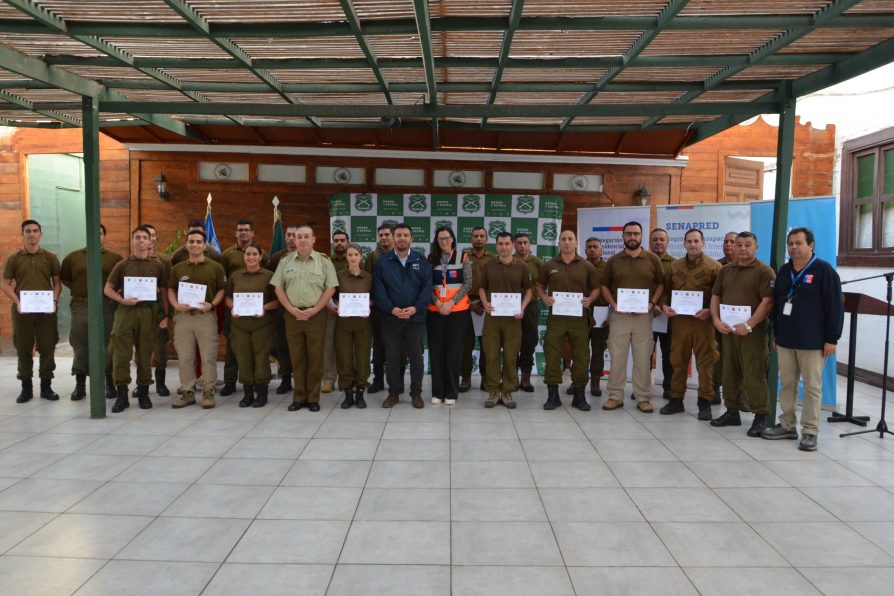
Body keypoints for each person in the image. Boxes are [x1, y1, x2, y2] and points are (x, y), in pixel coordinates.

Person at [763, 227, 843, 451]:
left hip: (814, 342)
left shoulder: (824, 271)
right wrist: (777, 334)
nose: (794, 247)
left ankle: (810, 432)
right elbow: (778, 306)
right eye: (790, 243)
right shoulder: (785, 271)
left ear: (811, 245)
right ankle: (787, 426)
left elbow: (835, 307)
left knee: (812, 387)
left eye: (799, 243)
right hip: (786, 340)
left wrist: (832, 338)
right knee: (787, 384)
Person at [710, 231, 776, 437]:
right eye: (739, 245)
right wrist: (716, 320)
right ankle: (731, 411)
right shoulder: (725, 270)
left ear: (756, 247)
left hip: (752, 334)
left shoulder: (765, 272)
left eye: (748, 244)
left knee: (754, 372)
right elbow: (715, 297)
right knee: (729, 370)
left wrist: (748, 325)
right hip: (728, 330)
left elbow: (768, 302)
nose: (742, 248)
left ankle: (760, 416)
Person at [600, 221, 665, 413]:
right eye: (628, 234)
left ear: (641, 236)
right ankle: (615, 396)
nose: (632, 237)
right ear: (623, 236)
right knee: (617, 356)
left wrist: (652, 303)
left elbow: (661, 284)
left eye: (636, 234)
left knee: (643, 357)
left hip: (644, 316)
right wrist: (613, 304)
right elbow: (604, 285)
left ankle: (643, 397)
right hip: (619, 316)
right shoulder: (614, 260)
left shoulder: (653, 259)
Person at [272, 224, 337, 412]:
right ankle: (299, 397)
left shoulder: (324, 261)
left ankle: (313, 398)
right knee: (297, 357)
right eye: (298, 236)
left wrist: (316, 308)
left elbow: (330, 288)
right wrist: (291, 309)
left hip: (316, 315)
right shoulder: (285, 262)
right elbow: (278, 288)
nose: (301, 239)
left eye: (306, 236)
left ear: (313, 239)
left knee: (315, 358)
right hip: (292, 315)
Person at [104, 226, 169, 412]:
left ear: (150, 242)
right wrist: (122, 299)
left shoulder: (157, 266)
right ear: (132, 241)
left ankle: (143, 393)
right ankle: (122, 395)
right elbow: (107, 289)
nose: (141, 241)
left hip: (149, 312)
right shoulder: (122, 265)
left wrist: (166, 315)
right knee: (121, 354)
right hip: (126, 312)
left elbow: (164, 292)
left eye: (144, 237)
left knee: (145, 353)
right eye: (137, 237)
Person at [535, 228, 600, 411]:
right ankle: (553, 394)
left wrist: (591, 299)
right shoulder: (549, 265)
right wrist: (544, 297)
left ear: (576, 243)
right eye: (563, 239)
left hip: (579, 318)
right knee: (553, 354)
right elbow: (539, 285)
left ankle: (579, 395)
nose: (567, 242)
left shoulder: (587, 266)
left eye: (570, 239)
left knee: (581, 356)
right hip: (556, 317)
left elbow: (596, 288)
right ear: (559, 243)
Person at [660, 229, 721, 420]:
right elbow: (665, 291)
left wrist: (710, 312)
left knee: (706, 363)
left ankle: (705, 402)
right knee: (678, 361)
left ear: (703, 242)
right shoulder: (675, 267)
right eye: (689, 241)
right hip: (680, 322)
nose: (693, 245)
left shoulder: (715, 267)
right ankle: (676, 399)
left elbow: (720, 295)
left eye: (696, 241)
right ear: (684, 243)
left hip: (704, 322)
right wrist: (664, 306)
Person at [60, 223, 123, 400]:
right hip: (81, 305)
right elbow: (66, 279)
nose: (97, 236)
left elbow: (120, 281)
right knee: (80, 343)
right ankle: (80, 385)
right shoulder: (73, 257)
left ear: (104, 236)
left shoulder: (115, 258)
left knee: (107, 344)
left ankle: (109, 383)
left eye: (100, 233)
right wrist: (84, 291)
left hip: (107, 305)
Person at [374, 223, 433, 409]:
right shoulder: (382, 262)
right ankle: (394, 393)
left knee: (416, 357)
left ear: (411, 238)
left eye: (405, 235)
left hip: (415, 319)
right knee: (391, 357)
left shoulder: (421, 260)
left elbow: (427, 288)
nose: (402, 238)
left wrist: (416, 308)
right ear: (393, 237)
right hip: (391, 319)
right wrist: (391, 309)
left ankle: (416, 393)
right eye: (398, 235)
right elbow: (379, 290)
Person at [2, 220, 62, 403]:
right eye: (28, 231)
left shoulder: (50, 257)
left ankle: (46, 387)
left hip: (46, 311)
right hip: (23, 310)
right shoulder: (14, 258)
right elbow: (4, 284)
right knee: (23, 347)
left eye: (35, 231)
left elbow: (57, 283)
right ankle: (26, 387)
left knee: (47, 346)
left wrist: (53, 301)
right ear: (23, 234)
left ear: (41, 234)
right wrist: (18, 302)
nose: (32, 234)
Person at [167, 229, 226, 410]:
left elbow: (221, 290)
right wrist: (176, 305)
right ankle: (187, 393)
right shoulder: (178, 268)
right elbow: (170, 290)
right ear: (186, 245)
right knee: (185, 357)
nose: (195, 245)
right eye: (191, 241)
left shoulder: (215, 267)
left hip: (205, 317)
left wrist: (212, 304)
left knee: (208, 357)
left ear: (204, 245)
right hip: (183, 318)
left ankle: (208, 393)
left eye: (198, 242)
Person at [479, 232, 533, 408]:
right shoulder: (489, 265)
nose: (504, 247)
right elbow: (481, 288)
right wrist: (485, 303)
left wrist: (522, 308)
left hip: (513, 319)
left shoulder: (522, 266)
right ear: (496, 246)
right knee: (492, 355)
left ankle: (508, 391)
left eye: (507, 244)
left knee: (510, 356)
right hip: (492, 318)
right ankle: (494, 391)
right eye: (500, 244)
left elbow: (529, 290)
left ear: (512, 245)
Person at [226, 242, 279, 408]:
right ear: (244, 257)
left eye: (254, 254)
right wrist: (233, 307)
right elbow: (228, 298)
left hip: (262, 324)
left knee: (261, 357)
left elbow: (278, 300)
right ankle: (248, 393)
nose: (251, 257)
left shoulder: (270, 276)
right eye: (248, 254)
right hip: (240, 324)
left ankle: (261, 393)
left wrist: (265, 308)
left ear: (260, 256)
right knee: (243, 357)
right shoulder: (236, 276)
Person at [220, 219, 269, 397]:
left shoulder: (263, 255)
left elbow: (269, 285)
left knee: (258, 352)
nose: (243, 233)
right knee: (235, 349)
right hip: (237, 313)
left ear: (252, 233)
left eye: (247, 230)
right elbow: (224, 281)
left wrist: (263, 307)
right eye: (240, 230)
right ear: (236, 233)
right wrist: (233, 307)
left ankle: (258, 384)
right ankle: (230, 382)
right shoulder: (227, 254)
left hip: (258, 317)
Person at [427, 226, 472, 405]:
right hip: (435, 312)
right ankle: (437, 392)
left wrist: (451, 303)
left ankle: (451, 393)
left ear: (452, 239)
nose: (444, 241)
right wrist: (438, 304)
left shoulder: (463, 257)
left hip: (457, 312)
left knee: (453, 352)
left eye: (446, 238)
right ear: (436, 241)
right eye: (440, 239)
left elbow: (468, 283)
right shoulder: (430, 259)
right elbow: (426, 285)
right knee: (436, 352)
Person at [332, 243, 373, 409]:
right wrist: (338, 306)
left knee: (363, 358)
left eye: (356, 254)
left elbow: (374, 297)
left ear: (361, 256)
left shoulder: (369, 277)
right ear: (347, 257)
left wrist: (368, 305)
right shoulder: (339, 276)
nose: (353, 257)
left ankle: (361, 392)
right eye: (350, 255)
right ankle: (348, 393)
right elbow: (333, 296)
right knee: (344, 357)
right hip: (343, 323)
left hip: (363, 322)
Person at [459, 226, 495, 392]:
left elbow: (496, 284)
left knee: (486, 345)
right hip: (466, 305)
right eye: (476, 236)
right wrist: (468, 302)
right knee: (465, 345)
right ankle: (465, 377)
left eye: (482, 236)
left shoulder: (494, 259)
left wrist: (483, 303)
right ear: (471, 239)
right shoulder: (463, 258)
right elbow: (458, 283)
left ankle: (485, 377)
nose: (479, 239)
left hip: (487, 305)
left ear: (487, 240)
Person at [365, 223, 395, 394]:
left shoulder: (401, 255)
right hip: (377, 308)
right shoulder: (373, 256)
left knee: (396, 346)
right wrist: (369, 302)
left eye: (387, 235)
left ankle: (395, 381)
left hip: (397, 308)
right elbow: (368, 281)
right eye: (381, 235)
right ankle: (377, 380)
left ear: (393, 236)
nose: (384, 238)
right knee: (378, 345)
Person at [143, 223, 172, 397]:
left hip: (159, 309)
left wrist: (168, 313)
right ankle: (143, 382)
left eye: (153, 235)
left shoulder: (164, 260)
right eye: (146, 235)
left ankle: (160, 383)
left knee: (160, 348)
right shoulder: (131, 260)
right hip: (138, 309)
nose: (150, 239)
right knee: (141, 349)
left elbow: (169, 286)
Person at [269, 224, 299, 395]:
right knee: (283, 344)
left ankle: (302, 379)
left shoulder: (308, 256)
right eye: (288, 235)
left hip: (303, 308)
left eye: (294, 235)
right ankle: (286, 379)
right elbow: (273, 283)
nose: (290, 238)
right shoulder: (276, 258)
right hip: (282, 309)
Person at [714, 230, 740, 406]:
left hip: (742, 322)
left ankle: (740, 395)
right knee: (717, 357)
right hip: (719, 321)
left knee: (740, 359)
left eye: (733, 242)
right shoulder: (716, 266)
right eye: (726, 241)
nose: (728, 245)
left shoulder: (753, 266)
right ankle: (714, 389)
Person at [322, 230, 350, 394]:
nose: (339, 243)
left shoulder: (355, 258)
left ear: (348, 242)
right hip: (330, 307)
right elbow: (320, 284)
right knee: (329, 344)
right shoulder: (325, 261)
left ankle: (348, 379)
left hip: (351, 310)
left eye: (342, 240)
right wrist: (328, 303)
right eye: (336, 240)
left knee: (349, 345)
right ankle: (329, 380)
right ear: (333, 243)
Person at [514, 233, 542, 392]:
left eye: (525, 243)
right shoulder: (509, 260)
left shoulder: (537, 262)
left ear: (530, 245)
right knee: (511, 342)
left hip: (530, 306)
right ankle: (511, 377)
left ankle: (525, 378)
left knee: (529, 341)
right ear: (514, 245)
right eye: (519, 243)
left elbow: (543, 283)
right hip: (510, 307)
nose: (522, 246)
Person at [649, 228, 675, 400]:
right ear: (650, 242)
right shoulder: (643, 261)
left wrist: (662, 305)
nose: (658, 242)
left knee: (668, 354)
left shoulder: (675, 264)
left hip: (667, 316)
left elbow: (674, 289)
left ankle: (669, 387)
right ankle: (642, 387)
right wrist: (651, 305)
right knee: (644, 353)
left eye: (662, 239)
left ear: (668, 242)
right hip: (646, 314)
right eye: (655, 239)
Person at [583, 237, 608, 398]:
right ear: (585, 251)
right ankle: (578, 381)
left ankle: (595, 382)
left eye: (595, 247)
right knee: (580, 349)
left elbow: (613, 290)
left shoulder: (608, 268)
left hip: (601, 311)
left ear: (601, 250)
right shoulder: (579, 265)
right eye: (589, 247)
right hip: (581, 311)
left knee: (598, 349)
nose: (592, 250)